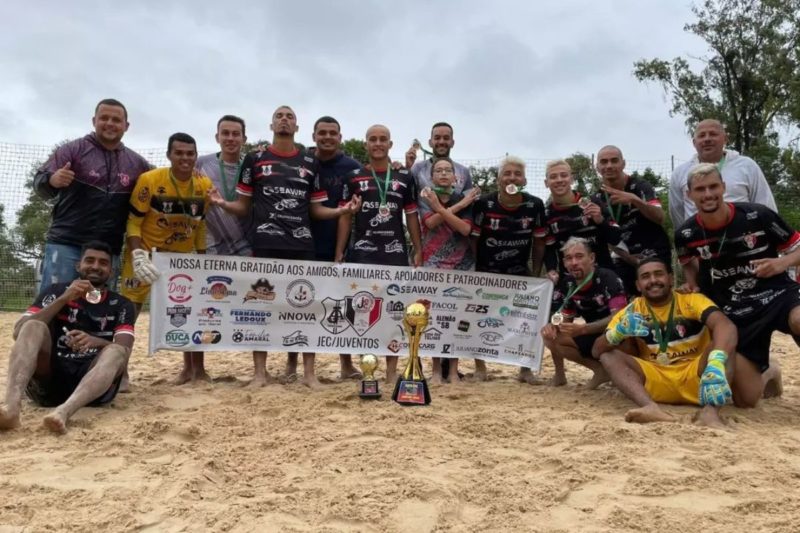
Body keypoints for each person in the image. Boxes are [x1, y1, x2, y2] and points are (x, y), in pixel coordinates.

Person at [209, 106, 360, 388]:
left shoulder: (309, 162)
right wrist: (222, 204)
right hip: (265, 244)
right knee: (261, 309)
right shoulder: (254, 159)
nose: (284, 119)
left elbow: (317, 210)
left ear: (297, 128)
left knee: (306, 308)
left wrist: (341, 211)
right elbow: (243, 206)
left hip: (302, 246)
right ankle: (259, 373)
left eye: (290, 116)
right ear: (271, 124)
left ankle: (310, 374)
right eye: (280, 115)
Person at [674, 162, 798, 407]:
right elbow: (687, 261)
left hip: (777, 294)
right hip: (735, 309)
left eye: (713, 186)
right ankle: (770, 370)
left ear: (724, 187)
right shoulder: (685, 234)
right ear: (689, 195)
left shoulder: (757, 215)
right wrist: (691, 284)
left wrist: (781, 264)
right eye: (700, 189)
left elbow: (797, 247)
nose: (708, 194)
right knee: (745, 401)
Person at [0, 241, 135, 433]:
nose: (96, 266)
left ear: (111, 272)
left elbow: (125, 350)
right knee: (32, 325)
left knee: (116, 351)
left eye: (103, 263)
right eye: (90, 260)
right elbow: (18, 331)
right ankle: (11, 409)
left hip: (93, 393)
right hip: (48, 385)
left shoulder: (122, 304)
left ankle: (63, 412)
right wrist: (64, 298)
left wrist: (97, 342)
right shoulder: (55, 292)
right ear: (78, 266)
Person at [593, 258, 738, 428]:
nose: (653, 280)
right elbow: (597, 350)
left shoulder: (691, 300)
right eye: (646, 276)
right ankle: (650, 407)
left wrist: (715, 361)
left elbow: (725, 325)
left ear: (671, 279)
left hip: (697, 376)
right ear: (638, 285)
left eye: (659, 274)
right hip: (655, 377)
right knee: (609, 355)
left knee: (722, 346)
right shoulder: (632, 310)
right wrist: (616, 334)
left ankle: (710, 412)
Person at [121, 133, 213, 387]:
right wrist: (138, 255)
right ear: (169, 155)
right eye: (179, 153)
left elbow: (200, 226)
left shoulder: (203, 185)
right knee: (128, 313)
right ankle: (120, 372)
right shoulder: (150, 180)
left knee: (190, 312)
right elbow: (134, 221)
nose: (185, 158)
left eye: (190, 153)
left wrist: (202, 257)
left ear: (196, 156)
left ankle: (194, 371)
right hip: (146, 255)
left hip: (180, 260)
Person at [335, 124, 423, 384]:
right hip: (362, 253)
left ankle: (392, 371)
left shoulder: (404, 177)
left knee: (394, 314)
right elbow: (345, 217)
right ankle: (367, 365)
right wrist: (339, 251)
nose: (377, 144)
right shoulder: (353, 177)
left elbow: (411, 216)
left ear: (390, 144)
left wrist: (417, 249)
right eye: (372, 139)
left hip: (395, 254)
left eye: (382, 139)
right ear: (365, 144)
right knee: (362, 311)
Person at [33, 98, 151, 290]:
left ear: (126, 126)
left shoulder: (137, 163)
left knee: (99, 311)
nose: (110, 123)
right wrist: (51, 180)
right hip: (66, 243)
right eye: (104, 118)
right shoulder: (72, 150)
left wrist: (192, 174)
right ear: (94, 121)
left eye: (116, 120)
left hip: (108, 248)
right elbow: (39, 182)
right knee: (53, 303)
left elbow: (159, 184)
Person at [471, 155, 547, 383]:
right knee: (479, 318)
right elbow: (474, 239)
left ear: (523, 179)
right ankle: (480, 367)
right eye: (507, 173)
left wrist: (535, 272)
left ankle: (525, 369)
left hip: (519, 272)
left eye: (517, 174)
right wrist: (478, 267)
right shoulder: (484, 203)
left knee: (526, 320)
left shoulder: (535, 205)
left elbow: (540, 241)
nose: (511, 177)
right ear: (499, 179)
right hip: (488, 272)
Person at [309, 116, 364, 380]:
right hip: (306, 242)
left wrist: (340, 251)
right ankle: (291, 364)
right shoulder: (306, 162)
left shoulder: (353, 167)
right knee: (303, 303)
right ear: (313, 136)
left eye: (333, 133)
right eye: (323, 133)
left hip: (340, 244)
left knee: (342, 304)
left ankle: (346, 363)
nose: (327, 137)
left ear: (340, 137)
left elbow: (352, 212)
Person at [419, 156, 480, 383]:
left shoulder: (464, 199)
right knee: (433, 320)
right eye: (439, 170)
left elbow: (464, 229)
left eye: (448, 170)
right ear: (431, 176)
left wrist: (445, 209)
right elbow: (430, 223)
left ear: (456, 177)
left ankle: (453, 370)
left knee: (458, 320)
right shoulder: (426, 196)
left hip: (462, 265)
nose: (443, 174)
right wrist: (456, 207)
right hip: (432, 265)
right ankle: (435, 371)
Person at [541, 237, 627, 388]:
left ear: (592, 258)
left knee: (619, 338)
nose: (574, 262)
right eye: (569, 258)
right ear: (564, 263)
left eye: (579, 256)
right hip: (589, 332)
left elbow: (619, 317)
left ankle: (622, 371)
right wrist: (553, 325)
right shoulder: (567, 283)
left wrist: (584, 329)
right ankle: (599, 371)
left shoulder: (609, 278)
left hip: (617, 334)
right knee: (550, 337)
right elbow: (565, 318)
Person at [591, 145, 672, 296]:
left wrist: (635, 201)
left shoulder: (640, 186)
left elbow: (660, 217)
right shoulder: (596, 199)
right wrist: (628, 258)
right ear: (597, 167)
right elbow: (607, 235)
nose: (609, 166)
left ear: (623, 163)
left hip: (654, 251)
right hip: (625, 257)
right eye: (604, 162)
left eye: (614, 161)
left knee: (660, 298)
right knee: (630, 304)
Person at [669, 119, 776, 224]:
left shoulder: (747, 166)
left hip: (744, 236)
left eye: (713, 134)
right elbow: (677, 213)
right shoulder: (680, 173)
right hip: (700, 238)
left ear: (725, 139)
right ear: (694, 142)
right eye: (701, 135)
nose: (707, 139)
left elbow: (765, 205)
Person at [543, 159, 621, 283]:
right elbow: (550, 249)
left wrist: (600, 221)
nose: (559, 180)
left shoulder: (593, 202)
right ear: (546, 183)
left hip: (604, 278)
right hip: (571, 282)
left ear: (572, 179)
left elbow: (616, 238)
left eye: (564, 175)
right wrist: (551, 269)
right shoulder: (546, 214)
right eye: (553, 177)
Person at [195, 115, 252, 256]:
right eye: (225, 133)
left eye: (236, 134)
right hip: (210, 247)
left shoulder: (252, 165)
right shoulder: (200, 163)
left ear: (244, 139)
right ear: (217, 137)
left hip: (246, 247)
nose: (230, 138)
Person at [407, 122, 473, 194]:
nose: (441, 141)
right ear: (430, 142)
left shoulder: (463, 171)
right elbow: (406, 196)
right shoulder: (418, 168)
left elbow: (469, 201)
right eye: (437, 138)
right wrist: (407, 167)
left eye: (446, 138)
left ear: (452, 143)